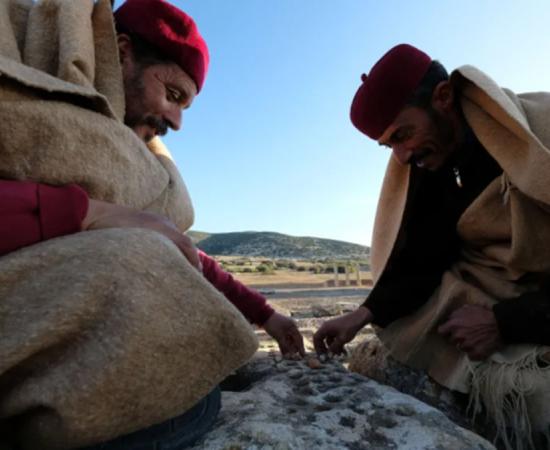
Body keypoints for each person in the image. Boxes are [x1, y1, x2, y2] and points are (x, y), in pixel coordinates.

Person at [0, 0, 302, 449]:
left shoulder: (123, 155)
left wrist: (264, 313)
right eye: (173, 94)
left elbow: (175, 245)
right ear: (121, 51)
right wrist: (87, 212)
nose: (176, 122)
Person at [313, 44, 550, 450]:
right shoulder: (434, 161)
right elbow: (424, 254)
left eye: (403, 135)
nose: (402, 156)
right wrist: (363, 314)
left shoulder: (539, 132)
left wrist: (504, 322)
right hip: (500, 288)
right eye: (389, 146)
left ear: (443, 97)